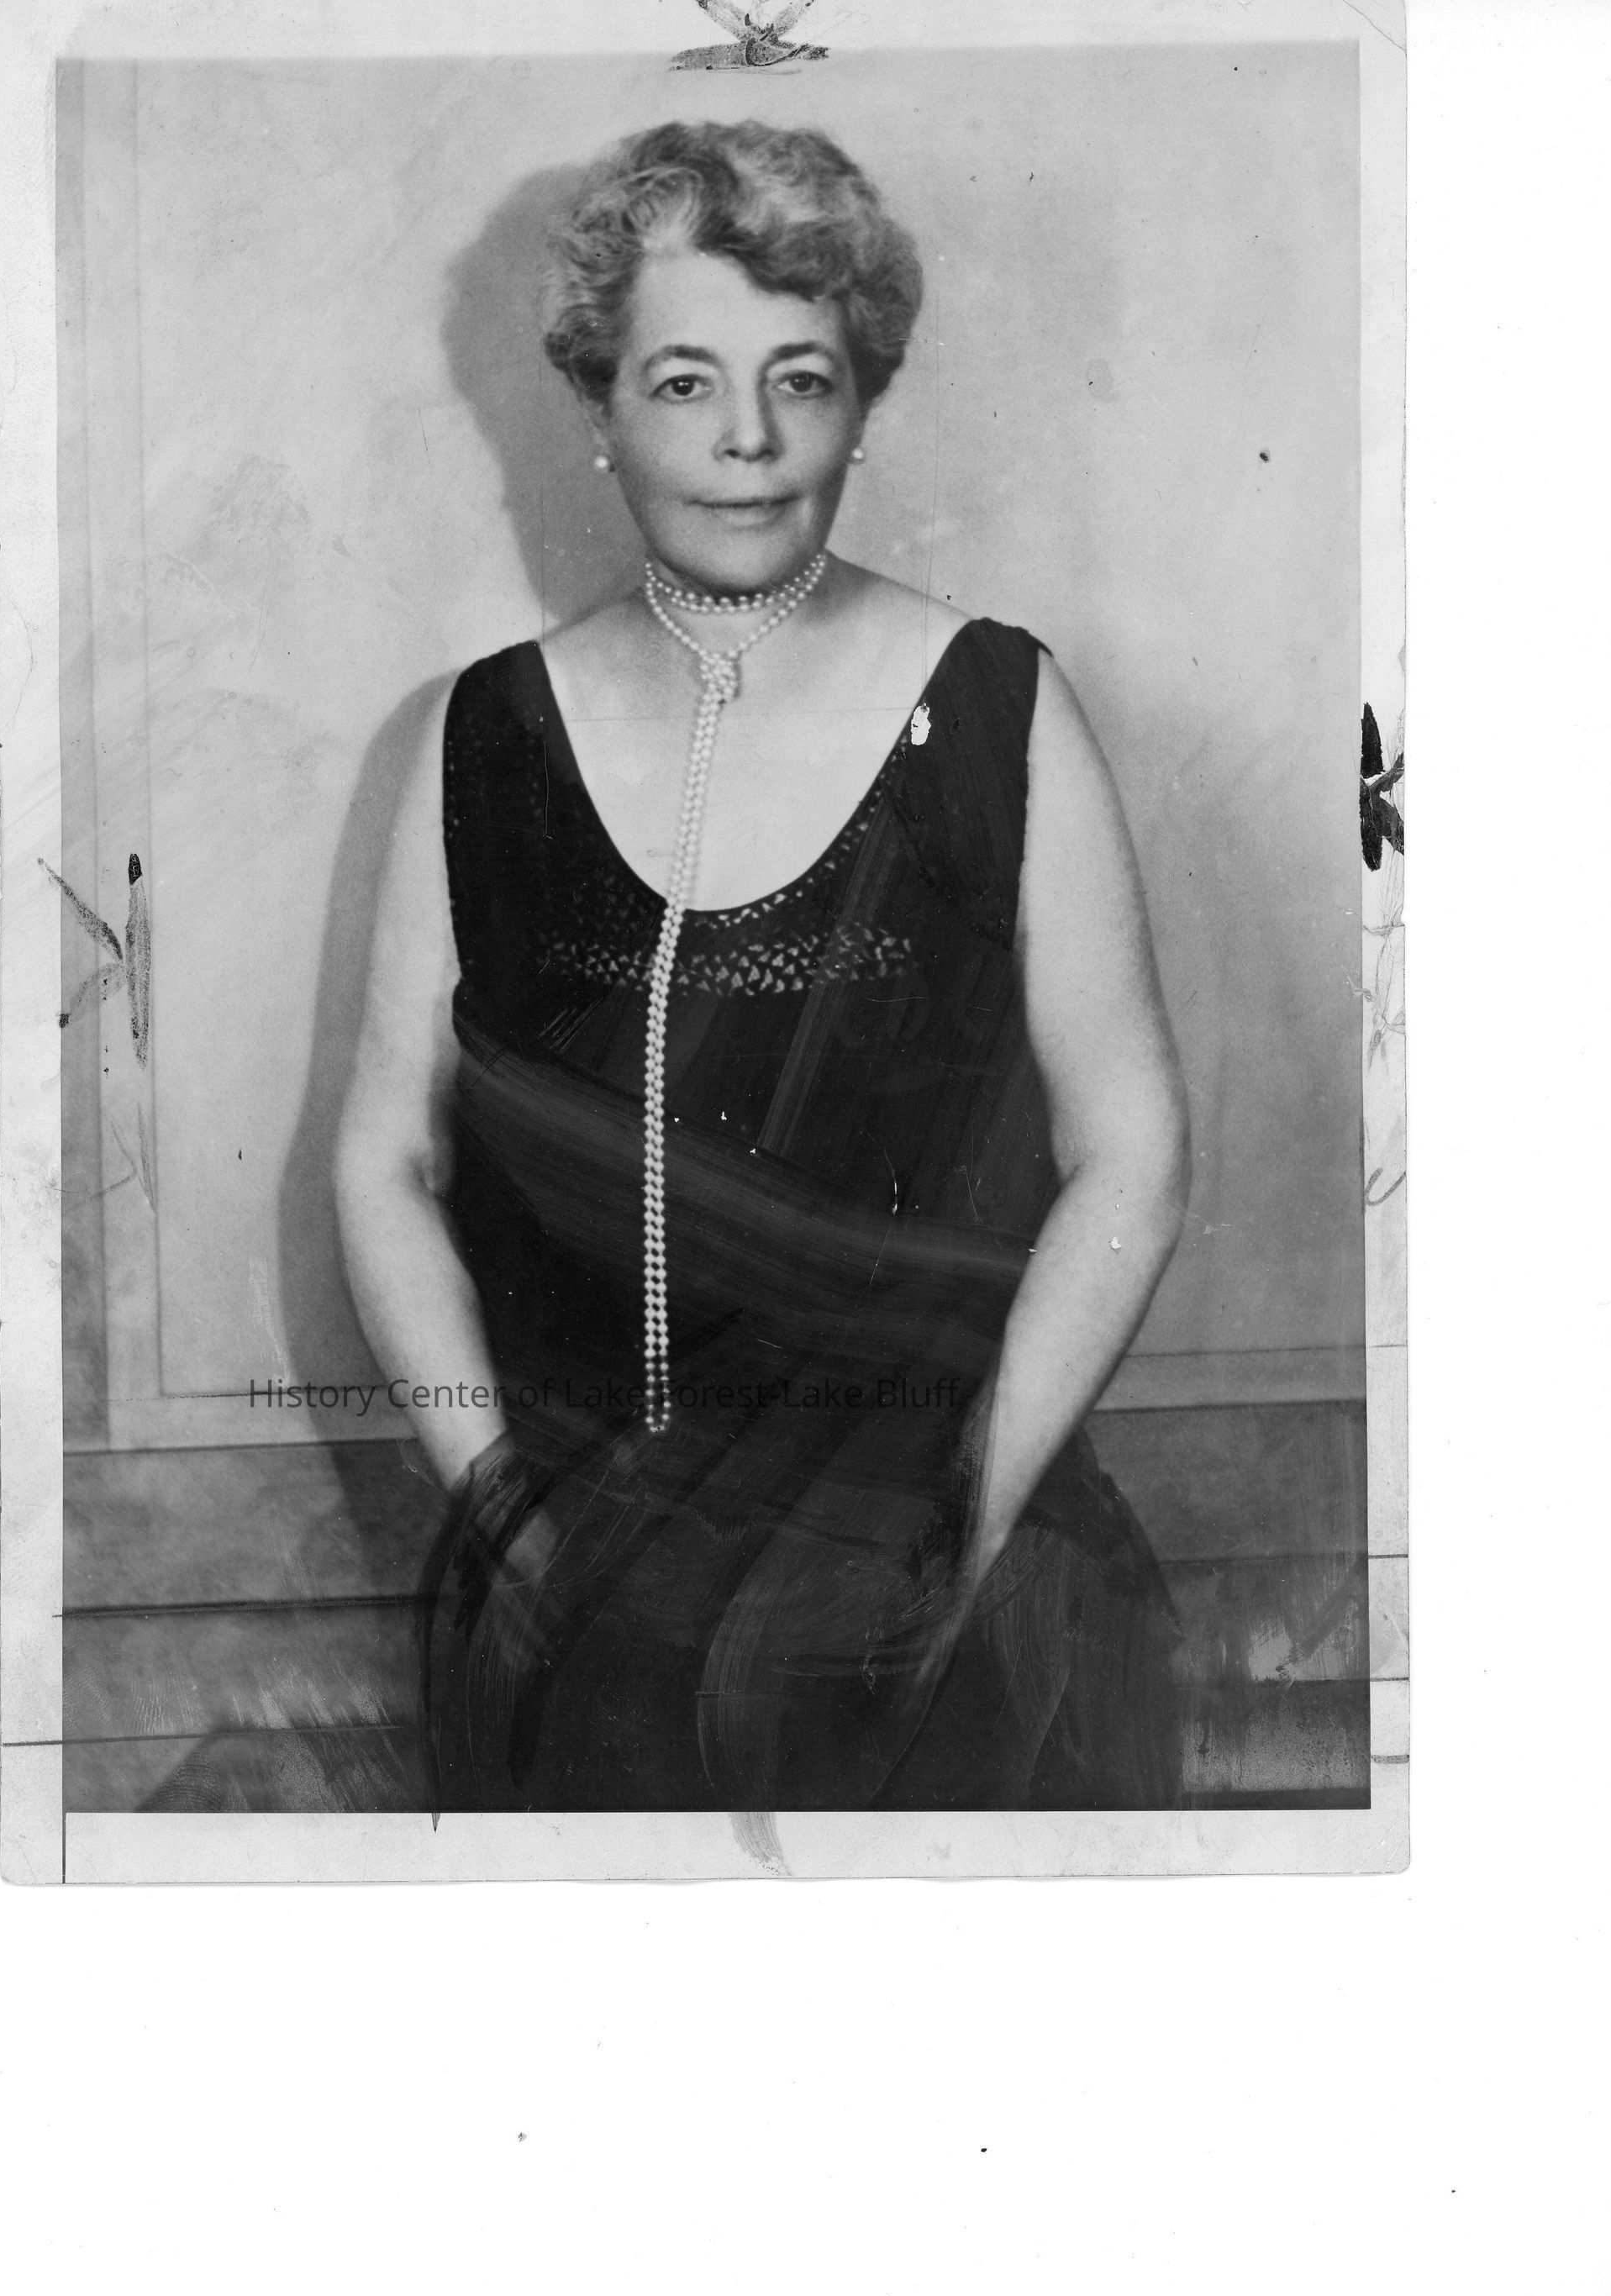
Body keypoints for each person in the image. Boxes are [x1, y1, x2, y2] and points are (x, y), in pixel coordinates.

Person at [334, 119, 1191, 1814]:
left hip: (936, 1598)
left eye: (801, 378)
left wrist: (962, 1535)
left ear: (862, 402)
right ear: (597, 410)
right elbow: (381, 1157)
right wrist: (500, 1510)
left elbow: (1135, 1153)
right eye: (684, 382)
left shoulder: (1000, 708)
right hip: (578, 1608)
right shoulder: (476, 736)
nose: (748, 437)